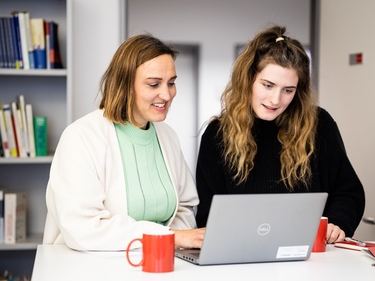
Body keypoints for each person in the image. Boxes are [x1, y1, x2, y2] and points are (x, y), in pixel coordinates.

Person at [195, 25, 365, 244]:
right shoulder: (217, 135)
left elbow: (349, 191)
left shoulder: (319, 124)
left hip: (310, 256)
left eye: (288, 90)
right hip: (241, 253)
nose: (276, 100)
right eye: (268, 85)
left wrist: (337, 223)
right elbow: (207, 217)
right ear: (248, 80)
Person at [43, 34, 205, 251]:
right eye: (154, 84)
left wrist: (168, 245)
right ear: (125, 84)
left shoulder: (167, 136)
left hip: (155, 262)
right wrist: (169, 237)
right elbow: (84, 228)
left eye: (172, 83)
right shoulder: (80, 137)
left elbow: (185, 207)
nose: (166, 94)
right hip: (89, 266)